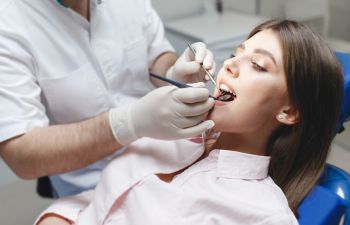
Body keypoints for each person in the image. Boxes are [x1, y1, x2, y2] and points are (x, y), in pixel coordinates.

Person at [34, 19, 344, 225]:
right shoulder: (166, 137)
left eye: (259, 66)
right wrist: (59, 218)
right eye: (237, 54)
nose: (232, 65)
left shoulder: (265, 215)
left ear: (288, 112)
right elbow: (102, 201)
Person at [0, 0, 216, 197]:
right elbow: (21, 153)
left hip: (162, 158)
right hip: (91, 186)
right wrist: (127, 124)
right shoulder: (9, 22)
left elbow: (155, 53)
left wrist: (172, 72)